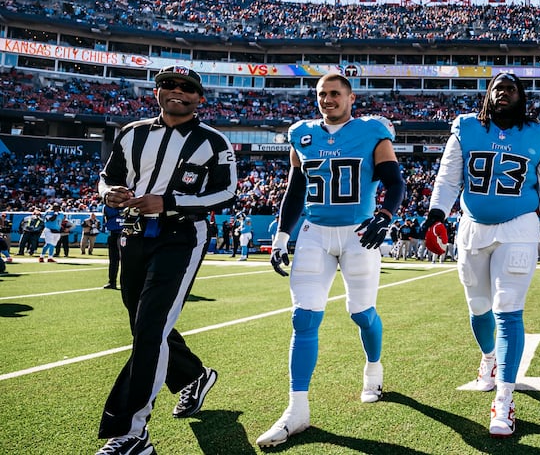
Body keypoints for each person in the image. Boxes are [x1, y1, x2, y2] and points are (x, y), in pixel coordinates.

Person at [256, 73, 404, 448]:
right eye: (322, 94)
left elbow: (394, 181)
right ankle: (297, 410)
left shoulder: (371, 131)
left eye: (335, 93)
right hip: (314, 233)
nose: (327, 99)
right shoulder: (302, 133)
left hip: (358, 233)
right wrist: (282, 235)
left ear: (351, 98)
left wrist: (385, 215)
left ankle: (373, 368)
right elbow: (295, 189)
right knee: (303, 318)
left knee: (361, 313)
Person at [95, 65, 236, 455]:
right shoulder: (132, 132)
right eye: (168, 85)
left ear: (199, 98)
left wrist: (170, 202)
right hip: (134, 233)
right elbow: (107, 176)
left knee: (151, 327)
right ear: (156, 91)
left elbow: (227, 193)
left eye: (186, 87)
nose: (177, 91)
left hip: (182, 236)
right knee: (142, 325)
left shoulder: (213, 141)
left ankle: (131, 432)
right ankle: (194, 375)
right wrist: (109, 193)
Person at [425, 72, 540, 439]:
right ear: (487, 94)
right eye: (497, 88)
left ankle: (504, 398)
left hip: (519, 227)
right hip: (472, 226)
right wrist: (436, 216)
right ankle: (489, 357)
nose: (503, 93)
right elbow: (448, 178)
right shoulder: (466, 127)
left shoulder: (539, 134)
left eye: (510, 88)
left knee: (508, 311)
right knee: (478, 307)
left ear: (521, 96)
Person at [102, 206, 122, 290]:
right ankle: (112, 281)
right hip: (114, 233)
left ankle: (125, 282)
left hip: (126, 233)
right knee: (113, 260)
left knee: (127, 260)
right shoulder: (108, 207)